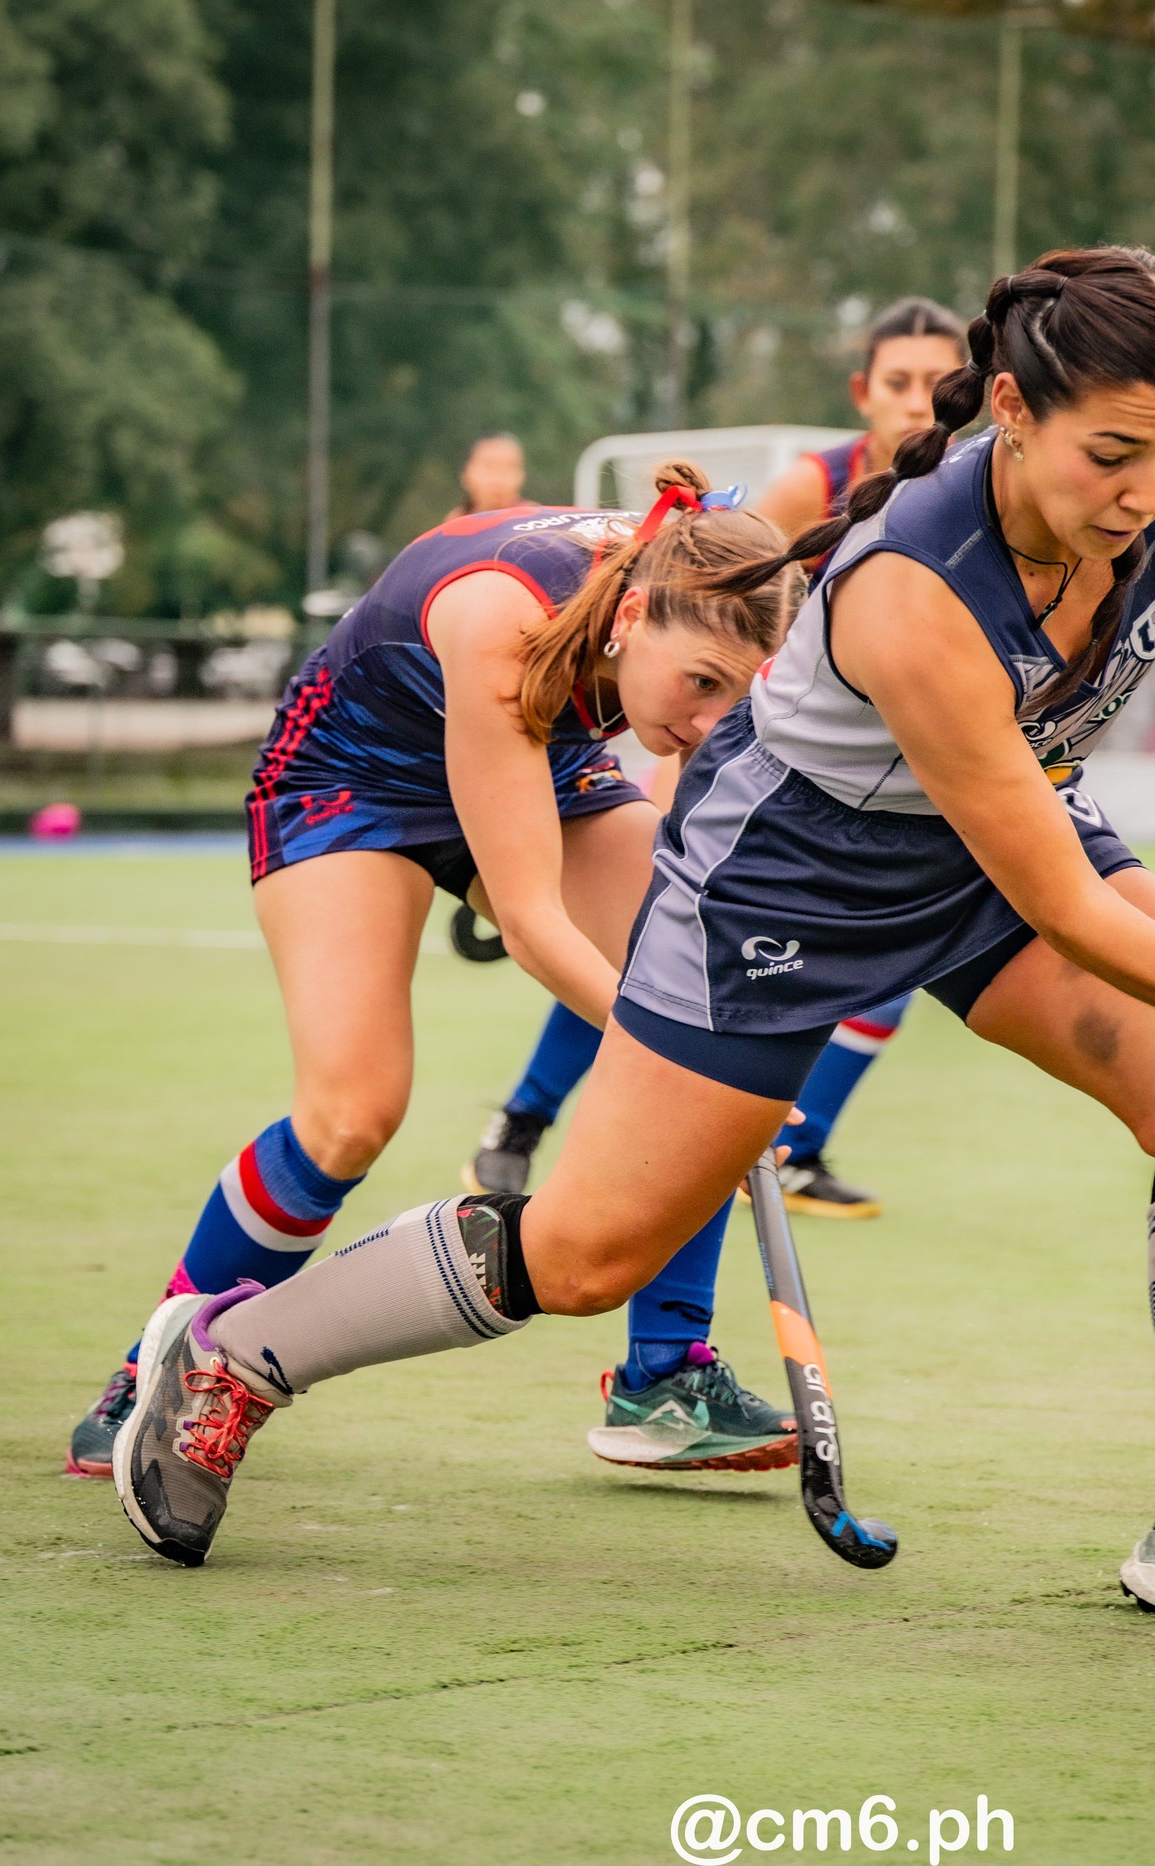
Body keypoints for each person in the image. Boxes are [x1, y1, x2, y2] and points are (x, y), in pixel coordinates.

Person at [112, 248, 1155, 1652]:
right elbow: (1064, 906)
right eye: (1114, 454)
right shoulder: (915, 585)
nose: (1146, 489)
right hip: (792, 879)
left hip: (997, 826)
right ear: (1013, 410)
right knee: (583, 1249)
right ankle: (237, 1354)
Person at [67, 467, 806, 1479]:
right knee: (351, 1111)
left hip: (537, 760)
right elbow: (536, 920)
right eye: (702, 685)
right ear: (630, 614)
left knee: (702, 1000)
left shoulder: (664, 618)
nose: (714, 720)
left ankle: (664, 1379)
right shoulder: (504, 624)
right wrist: (672, 1053)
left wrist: (712, 1050)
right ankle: (145, 1375)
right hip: (351, 778)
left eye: (742, 694)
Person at [458, 301, 972, 1475]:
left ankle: (669, 1358)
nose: (912, 398)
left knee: (796, 996)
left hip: (861, 791)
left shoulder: (969, 506)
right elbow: (697, 606)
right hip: (723, 767)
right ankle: (531, 1129)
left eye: (933, 379)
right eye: (896, 378)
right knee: (669, 1003)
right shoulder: (810, 489)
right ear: (864, 393)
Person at [454, 433, 528, 516]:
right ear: (465, 473)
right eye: (488, 467)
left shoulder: (534, 520)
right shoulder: (455, 522)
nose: (498, 480)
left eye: (509, 468)